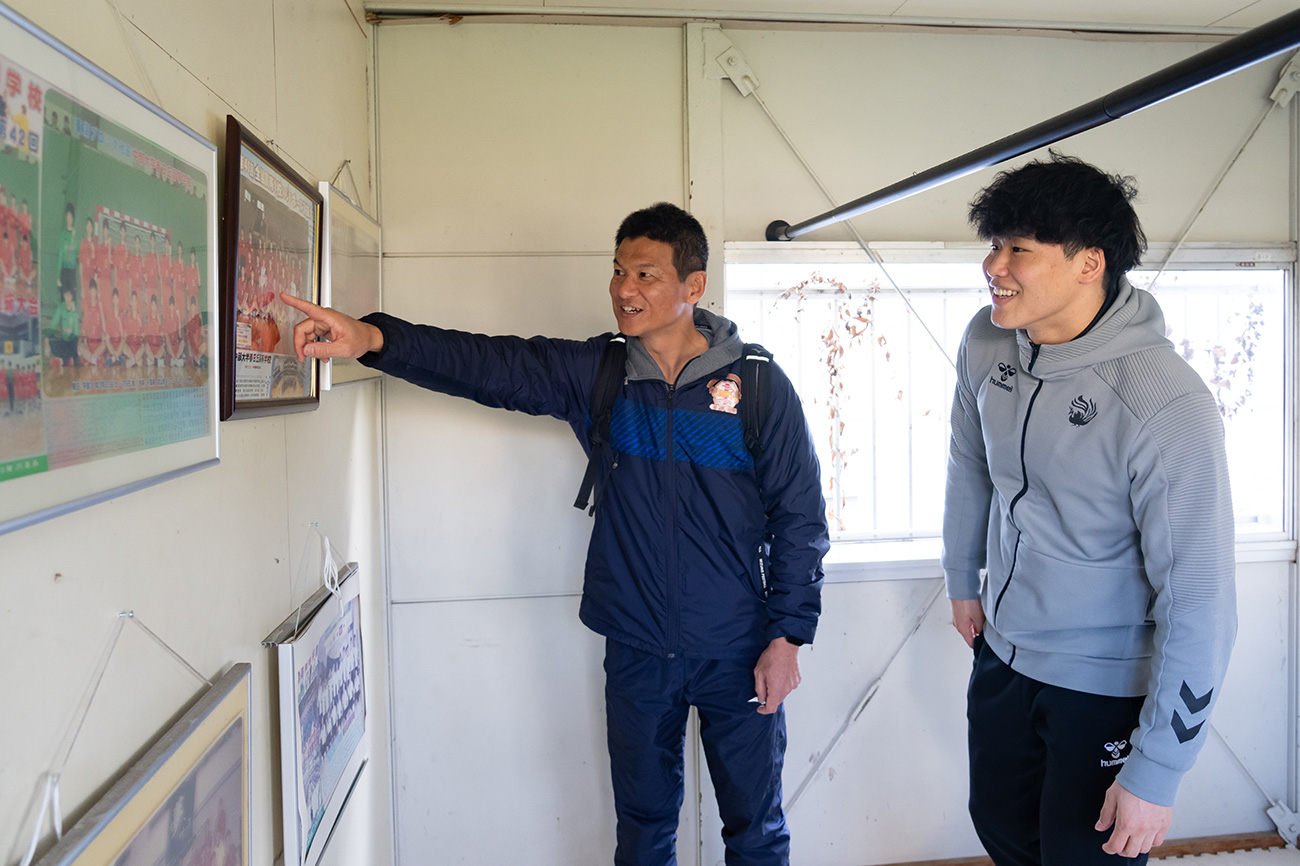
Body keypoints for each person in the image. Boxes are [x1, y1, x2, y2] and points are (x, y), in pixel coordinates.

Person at [284, 202, 829, 866]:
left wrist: (787, 637)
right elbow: (490, 365)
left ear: (694, 285)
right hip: (637, 646)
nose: (624, 289)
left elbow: (802, 521)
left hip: (737, 645)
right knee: (644, 828)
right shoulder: (602, 374)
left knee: (755, 830)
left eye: (646, 274)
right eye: (619, 271)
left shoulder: (759, 387)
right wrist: (374, 339)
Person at [942, 153, 1236, 865]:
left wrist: (1159, 769)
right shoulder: (986, 341)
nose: (993, 266)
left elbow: (1201, 600)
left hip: (1104, 683)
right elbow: (969, 463)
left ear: (1089, 263)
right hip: (1003, 655)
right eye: (994, 244)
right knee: (1001, 830)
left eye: (1019, 249)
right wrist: (961, 578)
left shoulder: (1165, 402)